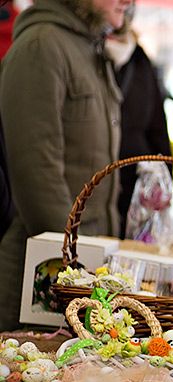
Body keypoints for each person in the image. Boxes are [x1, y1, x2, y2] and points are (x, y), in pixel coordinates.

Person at [0, 0, 130, 330]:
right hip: (44, 282)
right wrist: (74, 271)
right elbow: (37, 176)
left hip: (82, 273)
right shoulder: (42, 46)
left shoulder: (88, 49)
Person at [105, 7, 171, 238]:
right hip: (91, 189)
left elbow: (158, 128)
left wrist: (163, 184)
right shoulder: (84, 53)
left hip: (134, 187)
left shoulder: (141, 61)